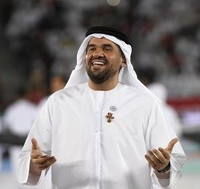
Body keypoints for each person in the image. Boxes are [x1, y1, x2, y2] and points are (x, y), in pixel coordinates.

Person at [17, 26, 186, 189]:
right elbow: (29, 161)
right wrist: (35, 164)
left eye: (107, 48)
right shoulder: (58, 103)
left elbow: (171, 165)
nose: (98, 53)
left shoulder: (145, 105)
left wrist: (163, 167)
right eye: (91, 48)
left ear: (123, 60)